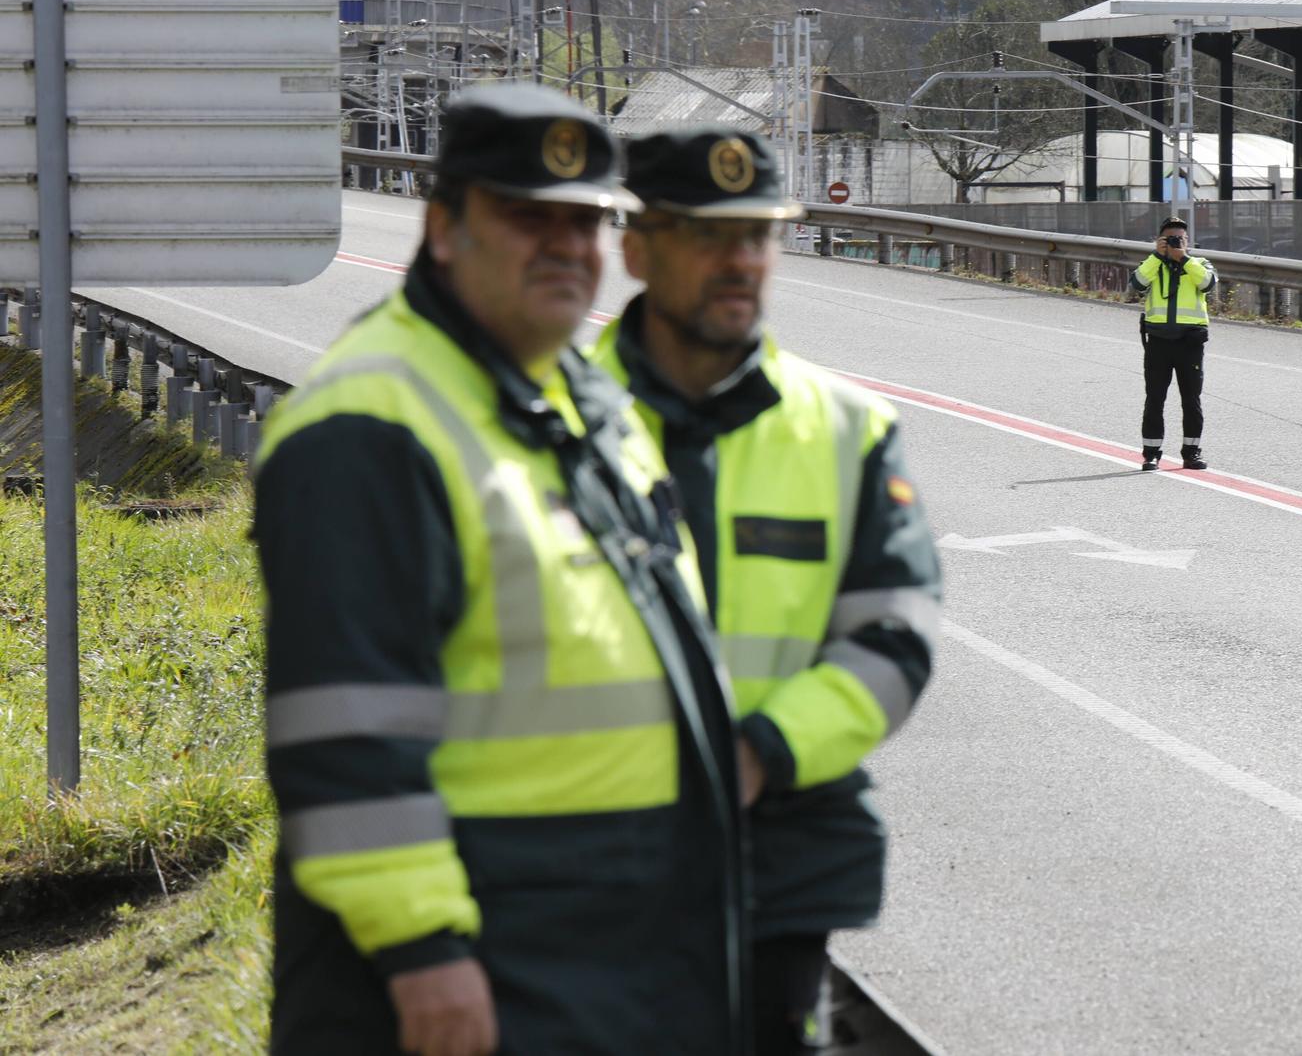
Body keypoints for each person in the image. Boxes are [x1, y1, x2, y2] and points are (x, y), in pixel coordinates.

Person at [254, 83, 748, 1056]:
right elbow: (345, 729)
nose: (565, 244)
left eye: (585, 220)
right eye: (528, 216)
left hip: (602, 950)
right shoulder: (371, 426)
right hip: (476, 965)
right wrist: (420, 949)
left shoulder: (579, 400)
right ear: (443, 227)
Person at [591, 126, 941, 1055]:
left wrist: (762, 752)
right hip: (585, 863)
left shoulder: (847, 428)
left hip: (778, 857)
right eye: (709, 236)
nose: (740, 260)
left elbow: (895, 639)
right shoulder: (553, 421)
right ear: (636, 246)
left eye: (758, 235)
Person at [1131, 215, 1216, 471]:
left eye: (1180, 239)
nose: (1176, 243)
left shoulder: (1199, 263)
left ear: (1188, 241)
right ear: (1159, 241)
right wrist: (1158, 256)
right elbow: (1137, 283)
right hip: (1159, 342)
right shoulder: (1152, 263)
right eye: (1170, 239)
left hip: (1190, 343)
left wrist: (1183, 259)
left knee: (1191, 400)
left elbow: (1208, 284)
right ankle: (1151, 454)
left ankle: (1191, 452)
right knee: (1154, 399)